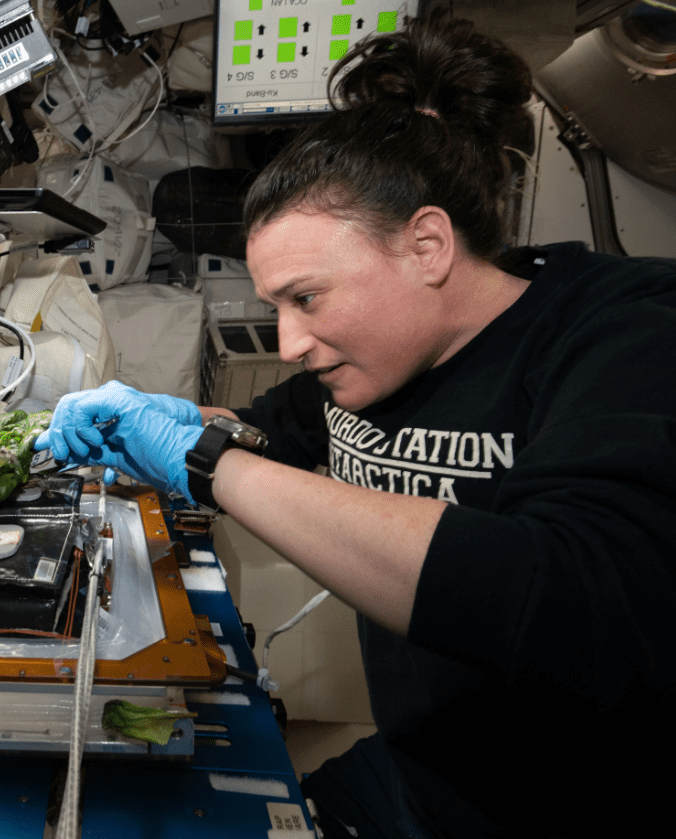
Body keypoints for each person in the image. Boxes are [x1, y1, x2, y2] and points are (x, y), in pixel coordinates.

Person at [35, 13, 676, 839]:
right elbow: (268, 434)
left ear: (427, 246)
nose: (292, 342)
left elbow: (569, 596)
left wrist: (204, 457)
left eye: (307, 298)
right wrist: (160, 419)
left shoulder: (625, 333)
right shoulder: (368, 369)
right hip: (418, 776)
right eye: (276, 308)